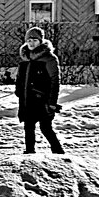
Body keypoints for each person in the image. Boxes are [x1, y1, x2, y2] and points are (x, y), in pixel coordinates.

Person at [15, 26, 64, 154]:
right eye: (29, 40)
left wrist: (52, 102)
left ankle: (58, 152)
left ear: (41, 41)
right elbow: (20, 78)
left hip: (43, 100)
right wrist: (18, 90)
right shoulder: (25, 58)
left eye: (35, 40)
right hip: (27, 99)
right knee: (28, 126)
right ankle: (29, 152)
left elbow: (55, 81)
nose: (31, 43)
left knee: (45, 127)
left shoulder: (49, 58)